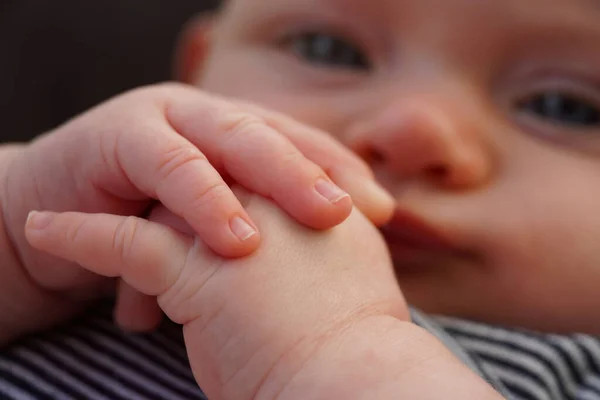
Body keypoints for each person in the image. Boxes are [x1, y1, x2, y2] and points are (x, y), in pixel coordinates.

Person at [2, 0, 600, 398]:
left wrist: (336, 350)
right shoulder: (103, 245)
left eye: (563, 107)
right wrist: (19, 223)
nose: (409, 133)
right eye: (327, 50)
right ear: (195, 75)